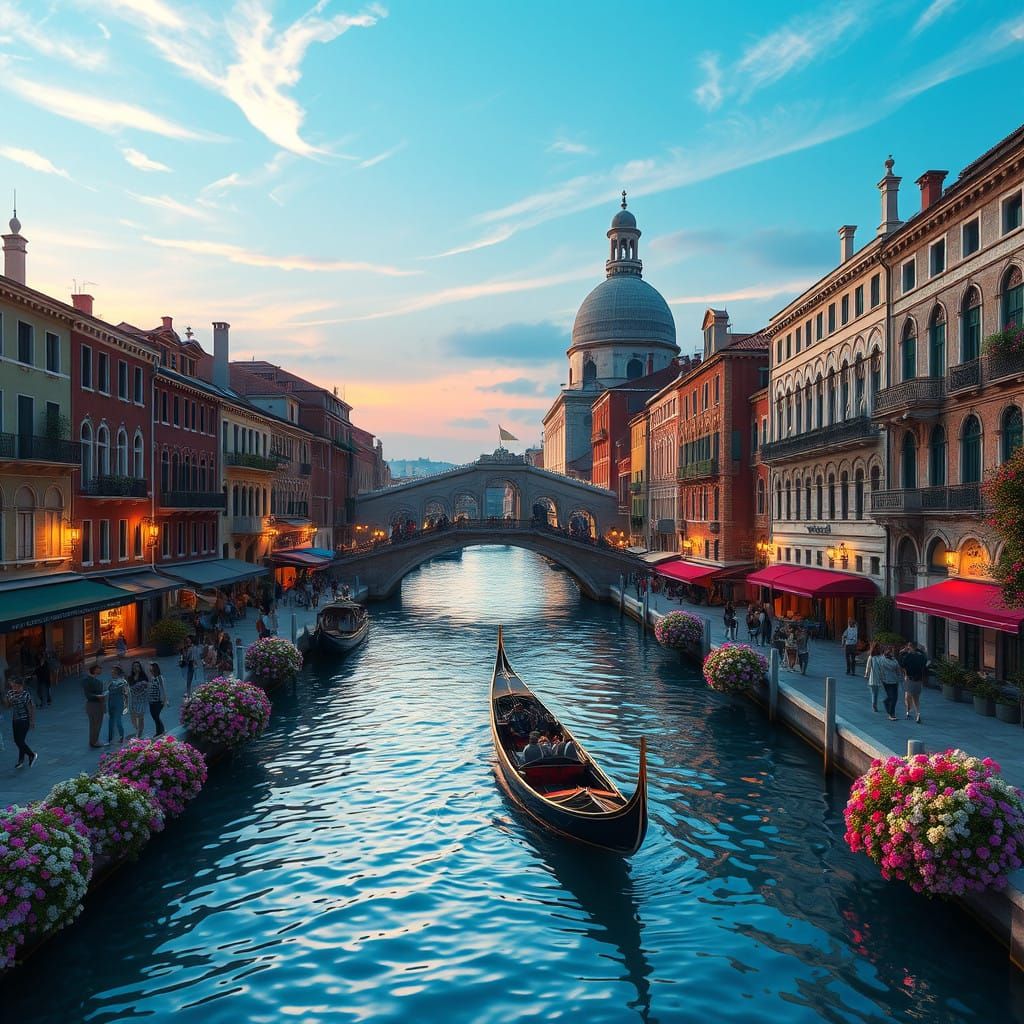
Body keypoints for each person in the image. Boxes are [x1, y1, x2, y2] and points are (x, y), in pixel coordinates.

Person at [4, 677, 36, 768]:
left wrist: (32, 721)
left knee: (20, 741)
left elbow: (31, 708)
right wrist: (6, 700)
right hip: (15, 720)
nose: (14, 688)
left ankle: (31, 755)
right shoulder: (10, 693)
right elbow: (7, 706)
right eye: (13, 686)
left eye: (16, 686)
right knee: (18, 741)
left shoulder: (26, 694)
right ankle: (21, 761)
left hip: (24, 720)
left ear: (21, 686)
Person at [901, 641, 928, 723]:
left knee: (908, 696)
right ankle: (915, 712)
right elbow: (925, 661)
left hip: (910, 678)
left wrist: (903, 652)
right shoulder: (921, 656)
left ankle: (910, 712)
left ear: (909, 647)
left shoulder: (908, 656)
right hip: (919, 679)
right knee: (916, 697)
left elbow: (902, 664)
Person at [82, 664, 107, 748]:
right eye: (99, 668)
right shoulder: (87, 680)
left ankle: (93, 741)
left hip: (97, 704)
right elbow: (88, 695)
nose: (100, 670)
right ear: (94, 669)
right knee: (95, 724)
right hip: (94, 704)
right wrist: (98, 696)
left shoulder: (97, 681)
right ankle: (94, 741)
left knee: (95, 724)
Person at [877, 646, 903, 720]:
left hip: (894, 681)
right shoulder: (882, 659)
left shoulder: (894, 660)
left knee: (894, 697)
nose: (891, 653)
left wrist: (899, 676)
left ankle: (886, 702)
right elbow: (892, 667)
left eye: (891, 651)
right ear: (885, 651)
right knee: (893, 697)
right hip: (886, 681)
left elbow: (898, 669)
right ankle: (891, 714)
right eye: (889, 651)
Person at [106, 666, 128, 745]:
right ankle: (110, 739)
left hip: (119, 703)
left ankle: (121, 737)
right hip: (111, 703)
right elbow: (108, 691)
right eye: (111, 672)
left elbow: (124, 692)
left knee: (118, 721)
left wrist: (126, 706)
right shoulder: (111, 681)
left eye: (113, 672)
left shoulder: (123, 681)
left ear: (117, 673)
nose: (111, 673)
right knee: (111, 721)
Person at [128, 663, 150, 739]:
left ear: (140, 667)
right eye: (134, 667)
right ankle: (137, 729)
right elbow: (129, 688)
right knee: (134, 716)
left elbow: (147, 687)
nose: (135, 668)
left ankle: (140, 732)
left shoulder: (143, 676)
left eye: (137, 666)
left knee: (140, 716)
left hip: (142, 699)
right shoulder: (130, 677)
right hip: (134, 700)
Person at [147, 662, 168, 736]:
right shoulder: (152, 678)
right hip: (152, 701)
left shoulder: (159, 678)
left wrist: (164, 700)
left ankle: (162, 731)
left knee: (156, 716)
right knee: (154, 717)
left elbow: (162, 689)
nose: (150, 670)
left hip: (158, 701)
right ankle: (158, 732)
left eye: (151, 669)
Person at [864, 641, 883, 712]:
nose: (878, 649)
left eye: (879, 648)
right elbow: (868, 667)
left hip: (879, 677)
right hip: (873, 677)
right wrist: (866, 674)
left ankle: (875, 705)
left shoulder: (881, 657)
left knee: (876, 692)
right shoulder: (871, 657)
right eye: (877, 648)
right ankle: (874, 705)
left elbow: (883, 667)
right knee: (874, 692)